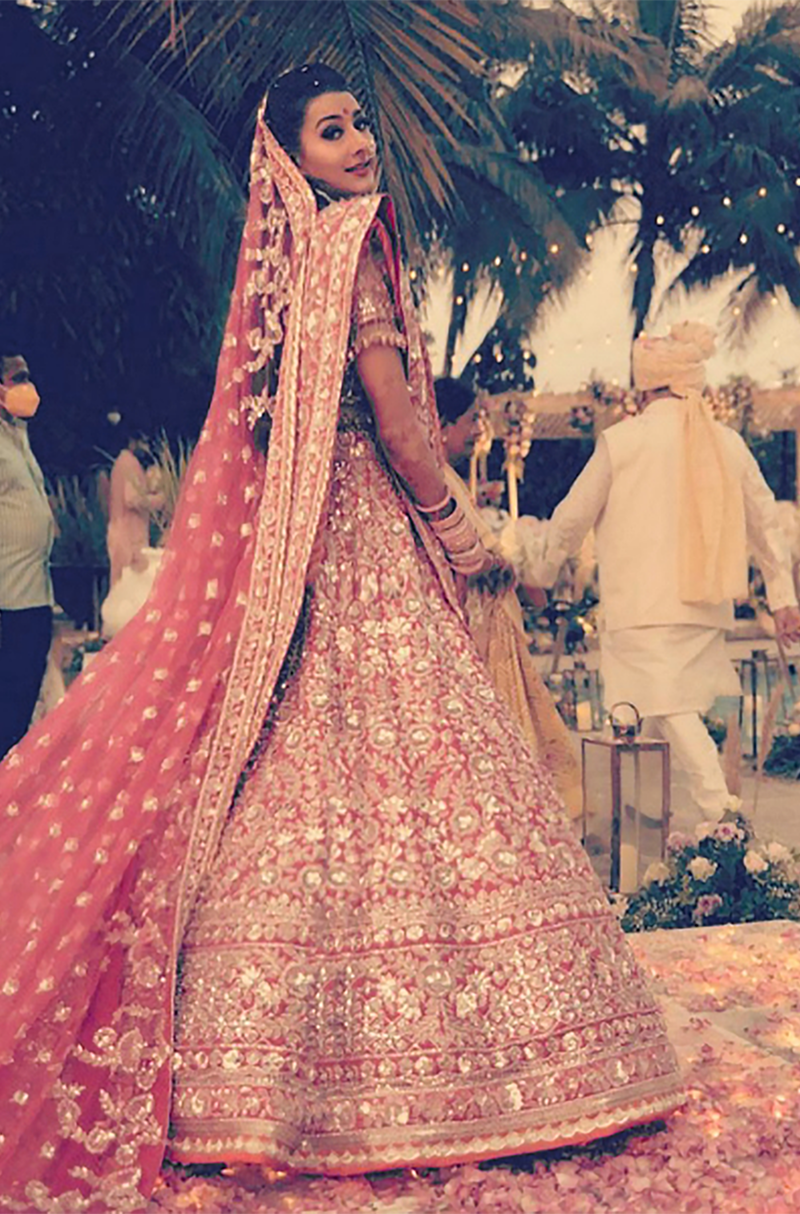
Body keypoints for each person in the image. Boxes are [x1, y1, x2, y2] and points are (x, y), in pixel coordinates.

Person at [0, 66, 681, 1210]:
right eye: (334, 130)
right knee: (421, 768)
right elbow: (400, 419)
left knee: (312, 773)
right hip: (372, 537)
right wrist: (459, 531)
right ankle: (497, 1063)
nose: (361, 142)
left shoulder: (286, 263)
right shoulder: (351, 245)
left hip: (314, 547)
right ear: (291, 158)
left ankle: (247, 1066)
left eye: (359, 122)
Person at [532, 321, 800, 825]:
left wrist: (543, 576)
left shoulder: (624, 441)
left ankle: (722, 823)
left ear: (646, 387)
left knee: (669, 712)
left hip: (640, 608)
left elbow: (570, 518)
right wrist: (783, 598)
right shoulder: (727, 442)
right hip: (703, 605)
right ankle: (648, 854)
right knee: (647, 728)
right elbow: (766, 521)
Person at [434, 376, 582, 818]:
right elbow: (465, 556)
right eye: (469, 422)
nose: (475, 433)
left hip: (490, 628)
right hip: (475, 636)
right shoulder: (435, 481)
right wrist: (499, 566)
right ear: (441, 424)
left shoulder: (445, 478)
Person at [0, 349, 55, 760]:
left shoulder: (18, 437)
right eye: (18, 378)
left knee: (22, 699)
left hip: (35, 593)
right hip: (7, 598)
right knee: (9, 702)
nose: (26, 387)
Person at [105, 433, 165, 587]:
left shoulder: (121, 462)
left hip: (121, 533)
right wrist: (160, 500)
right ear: (133, 441)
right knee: (130, 586)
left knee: (121, 585)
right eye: (143, 442)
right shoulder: (129, 464)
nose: (146, 447)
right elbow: (132, 499)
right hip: (129, 536)